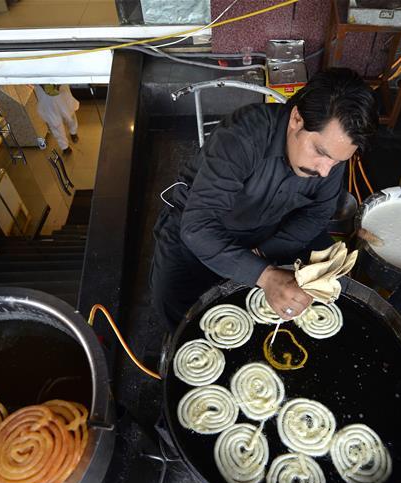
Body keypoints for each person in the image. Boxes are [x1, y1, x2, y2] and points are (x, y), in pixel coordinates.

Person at [150, 68, 377, 329]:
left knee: (324, 291)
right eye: (320, 152)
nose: (325, 171)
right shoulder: (242, 138)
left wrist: (264, 254)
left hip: (266, 232)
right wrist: (266, 276)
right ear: (297, 119)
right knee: (175, 306)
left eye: (337, 162)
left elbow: (317, 214)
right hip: (196, 227)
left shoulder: (329, 158)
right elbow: (198, 227)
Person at [34, 84, 80, 154]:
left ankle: (73, 131)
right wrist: (42, 85)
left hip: (61, 87)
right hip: (43, 93)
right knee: (54, 122)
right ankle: (64, 146)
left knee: (69, 113)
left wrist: (58, 83)